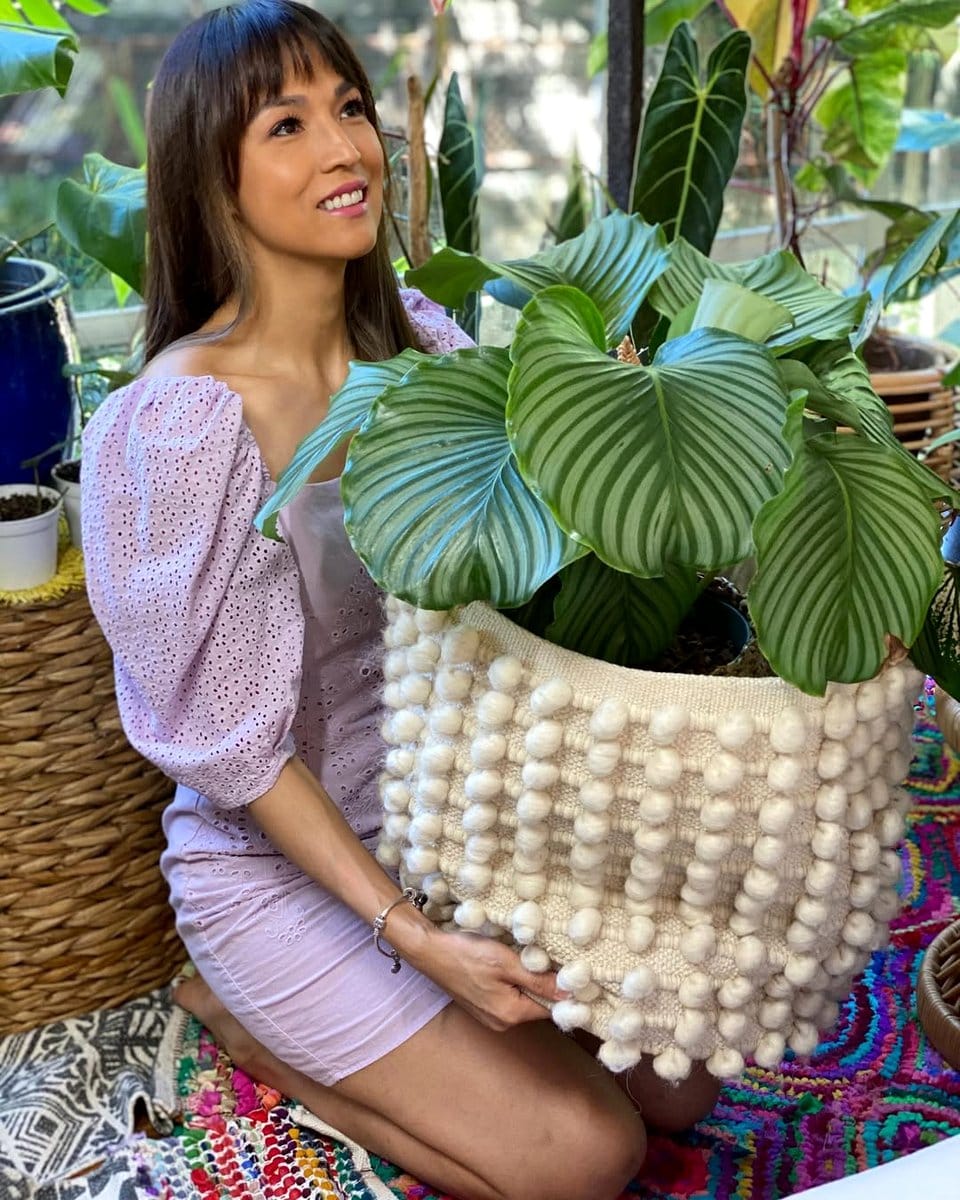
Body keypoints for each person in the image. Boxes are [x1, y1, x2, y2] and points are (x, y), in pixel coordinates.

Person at [82, 4, 717, 1197]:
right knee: (591, 1155)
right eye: (288, 123)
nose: (346, 148)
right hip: (282, 870)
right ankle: (251, 1025)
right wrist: (416, 937)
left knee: (683, 1081)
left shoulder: (420, 347)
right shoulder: (171, 428)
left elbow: (524, 578)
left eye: (352, 108)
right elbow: (236, 749)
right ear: (212, 183)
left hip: (451, 823)